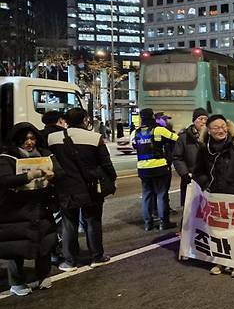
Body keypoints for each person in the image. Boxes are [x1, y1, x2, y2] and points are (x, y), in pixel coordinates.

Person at [48, 108, 117, 271]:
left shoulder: (52, 138)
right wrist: (111, 180)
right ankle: (97, 257)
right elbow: (106, 164)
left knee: (68, 224)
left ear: (65, 121)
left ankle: (70, 261)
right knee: (92, 221)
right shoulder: (94, 138)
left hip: (65, 188)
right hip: (91, 187)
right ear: (85, 119)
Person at [0, 123, 62, 295]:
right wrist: (28, 176)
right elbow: (5, 180)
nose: (29, 142)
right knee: (16, 245)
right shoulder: (6, 158)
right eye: (25, 139)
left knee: (45, 243)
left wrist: (54, 175)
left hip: (41, 206)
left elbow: (61, 173)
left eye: (32, 138)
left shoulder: (45, 154)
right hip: (16, 209)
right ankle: (17, 282)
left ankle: (43, 275)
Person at [193, 114, 234, 277]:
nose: (220, 130)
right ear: (209, 130)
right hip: (216, 197)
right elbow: (198, 171)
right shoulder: (204, 147)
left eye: (223, 126)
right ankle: (220, 261)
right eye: (216, 128)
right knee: (218, 231)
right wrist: (207, 185)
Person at [131, 108, 178, 232]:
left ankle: (148, 223)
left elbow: (135, 145)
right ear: (152, 116)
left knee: (146, 194)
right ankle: (163, 222)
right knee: (161, 194)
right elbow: (176, 138)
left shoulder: (135, 133)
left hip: (142, 168)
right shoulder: (159, 129)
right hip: (159, 167)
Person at [172, 108, 208, 208]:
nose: (203, 122)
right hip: (190, 180)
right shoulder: (184, 138)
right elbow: (177, 157)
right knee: (189, 209)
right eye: (200, 119)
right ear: (194, 120)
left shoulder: (210, 136)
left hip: (207, 180)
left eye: (206, 119)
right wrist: (185, 173)